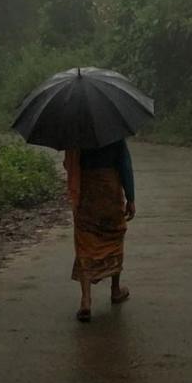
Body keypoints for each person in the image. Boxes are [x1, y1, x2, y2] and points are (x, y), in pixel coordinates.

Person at [63, 138, 136, 322]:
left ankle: (86, 300)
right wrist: (131, 197)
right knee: (114, 236)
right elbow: (124, 164)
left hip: (86, 190)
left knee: (85, 241)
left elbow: (69, 164)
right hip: (109, 190)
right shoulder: (114, 131)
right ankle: (115, 289)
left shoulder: (76, 134)